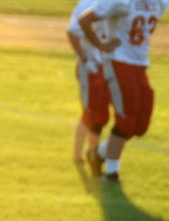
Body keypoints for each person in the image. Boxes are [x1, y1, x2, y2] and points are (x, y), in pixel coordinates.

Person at [80, 0, 169, 183]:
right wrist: (101, 45)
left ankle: (98, 153)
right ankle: (111, 173)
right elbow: (85, 20)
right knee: (126, 118)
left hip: (140, 65)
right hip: (118, 62)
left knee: (140, 125)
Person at [67, 0, 110, 165]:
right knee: (90, 112)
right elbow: (72, 33)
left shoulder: (115, 3)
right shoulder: (86, 5)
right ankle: (78, 156)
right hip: (90, 66)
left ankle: (94, 153)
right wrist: (84, 59)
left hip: (106, 67)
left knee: (101, 114)